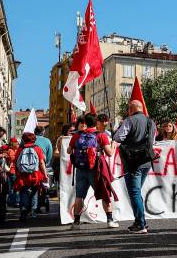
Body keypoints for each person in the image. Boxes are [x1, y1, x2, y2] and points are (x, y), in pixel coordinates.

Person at [67, 114, 118, 230]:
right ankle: (110, 220)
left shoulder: (77, 135)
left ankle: (76, 222)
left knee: (79, 196)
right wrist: (114, 145)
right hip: (96, 170)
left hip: (80, 169)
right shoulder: (101, 135)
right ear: (96, 123)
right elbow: (109, 153)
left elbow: (69, 150)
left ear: (85, 122)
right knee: (104, 193)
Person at [113, 100, 156, 234]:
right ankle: (140, 221)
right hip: (146, 161)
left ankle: (140, 224)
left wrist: (116, 131)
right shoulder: (151, 122)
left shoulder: (129, 120)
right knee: (137, 192)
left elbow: (118, 137)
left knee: (134, 193)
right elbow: (153, 141)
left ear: (131, 109)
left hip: (132, 162)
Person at [13, 132, 48, 222]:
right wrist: (45, 174)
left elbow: (16, 162)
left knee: (24, 192)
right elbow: (41, 163)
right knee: (34, 192)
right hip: (35, 174)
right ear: (34, 139)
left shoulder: (21, 149)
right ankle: (33, 212)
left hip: (23, 175)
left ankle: (23, 211)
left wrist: (17, 173)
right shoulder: (37, 148)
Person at [32, 126, 53, 216]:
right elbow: (50, 154)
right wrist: (45, 163)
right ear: (43, 132)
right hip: (41, 165)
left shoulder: (28, 140)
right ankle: (39, 205)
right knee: (41, 185)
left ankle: (29, 206)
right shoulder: (47, 141)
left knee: (30, 185)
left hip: (28, 166)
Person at [6, 137, 19, 207]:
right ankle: (13, 201)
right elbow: (12, 159)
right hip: (12, 171)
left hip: (14, 171)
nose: (17, 144)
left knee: (12, 188)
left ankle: (12, 201)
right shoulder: (10, 150)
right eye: (16, 142)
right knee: (13, 188)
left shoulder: (14, 150)